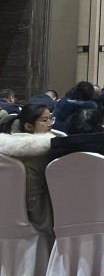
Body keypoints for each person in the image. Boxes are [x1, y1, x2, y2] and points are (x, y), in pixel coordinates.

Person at [0, 103, 56, 245]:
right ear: (28, 126)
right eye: (45, 120)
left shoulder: (5, 148)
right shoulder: (42, 151)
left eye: (51, 118)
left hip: (5, 212)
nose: (50, 123)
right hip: (37, 213)